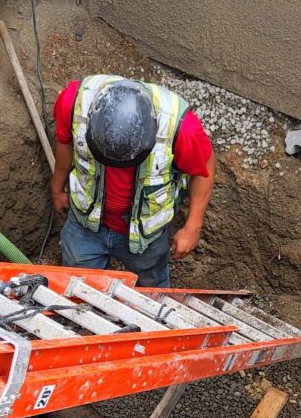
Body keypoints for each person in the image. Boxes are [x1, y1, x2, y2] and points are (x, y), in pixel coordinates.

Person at [50, 75, 215, 288]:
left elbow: (205, 167)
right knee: (77, 285)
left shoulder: (180, 127)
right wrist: (57, 188)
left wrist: (193, 226)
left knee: (151, 290)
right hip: (85, 223)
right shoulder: (74, 102)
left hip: (147, 233)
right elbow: (65, 143)